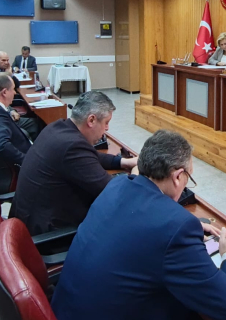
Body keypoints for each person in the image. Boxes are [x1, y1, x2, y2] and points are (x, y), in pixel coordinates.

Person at [52, 130, 226, 320]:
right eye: (188, 179)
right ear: (178, 177)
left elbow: (141, 221)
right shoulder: (176, 230)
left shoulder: (116, 186)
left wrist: (184, 222)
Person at [12, 91, 137, 236]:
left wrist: (124, 162)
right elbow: (115, 193)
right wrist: (135, 175)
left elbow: (90, 155)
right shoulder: (72, 146)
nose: (107, 128)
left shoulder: (58, 127)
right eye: (106, 122)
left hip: (31, 217)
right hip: (50, 233)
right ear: (91, 120)